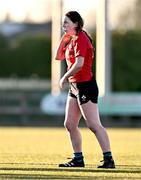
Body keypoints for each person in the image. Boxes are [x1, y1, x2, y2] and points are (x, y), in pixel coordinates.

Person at [55, 11, 115, 168]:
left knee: (94, 125)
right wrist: (65, 38)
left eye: (66, 22)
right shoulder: (72, 38)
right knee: (69, 124)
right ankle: (78, 159)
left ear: (76, 23)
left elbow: (79, 63)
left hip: (85, 85)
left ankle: (109, 159)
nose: (64, 25)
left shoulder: (81, 38)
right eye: (63, 23)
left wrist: (64, 77)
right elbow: (59, 56)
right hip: (75, 86)